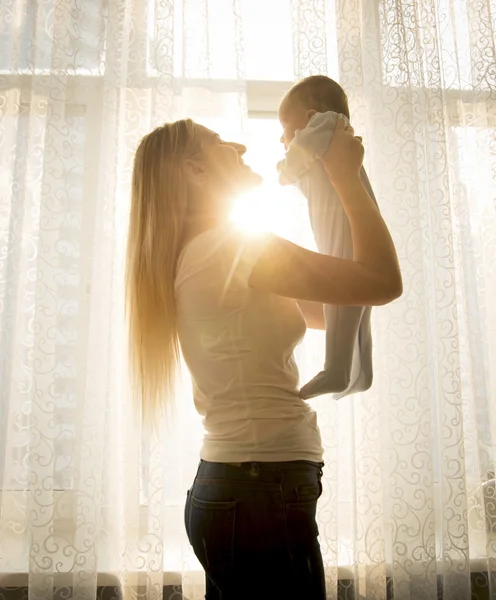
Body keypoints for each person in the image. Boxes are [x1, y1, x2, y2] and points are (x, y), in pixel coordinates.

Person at [125, 117, 402, 599]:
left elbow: (341, 304)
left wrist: (327, 190)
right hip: (257, 491)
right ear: (195, 170)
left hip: (243, 490)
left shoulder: (212, 253)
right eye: (217, 142)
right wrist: (346, 175)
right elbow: (382, 282)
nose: (237, 143)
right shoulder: (230, 248)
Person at [278, 75, 376, 400]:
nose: (282, 138)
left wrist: (284, 167)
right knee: (352, 307)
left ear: (309, 118)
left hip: (345, 231)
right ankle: (356, 371)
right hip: (341, 231)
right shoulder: (330, 146)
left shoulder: (328, 125)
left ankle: (337, 370)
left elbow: (289, 171)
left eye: (285, 128)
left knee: (345, 298)